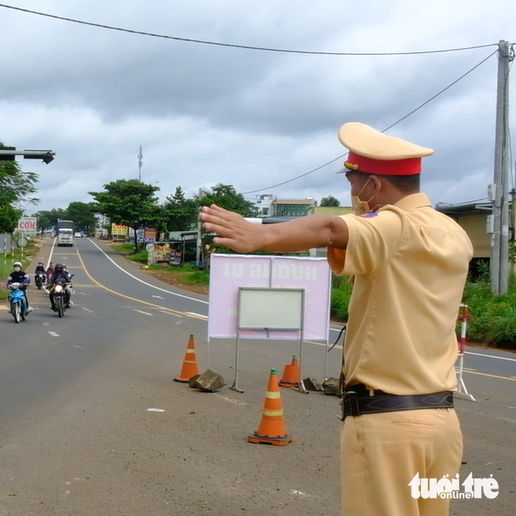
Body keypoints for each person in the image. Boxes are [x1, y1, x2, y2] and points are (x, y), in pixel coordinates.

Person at [199, 122, 473, 516]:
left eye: (353, 182)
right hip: (441, 422)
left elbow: (330, 228)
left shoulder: (394, 227)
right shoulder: (452, 232)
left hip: (388, 425)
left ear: (373, 186)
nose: (352, 194)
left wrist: (260, 237)